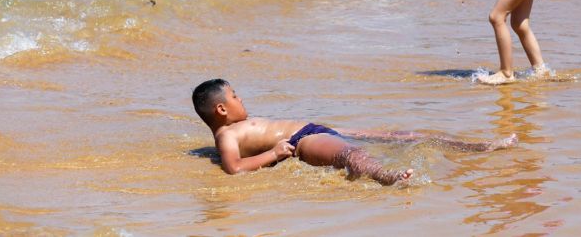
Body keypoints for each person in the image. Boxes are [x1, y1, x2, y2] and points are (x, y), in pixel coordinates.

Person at [192, 79, 516, 183]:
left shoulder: (233, 129)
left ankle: (475, 146)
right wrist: (273, 154)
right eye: (235, 96)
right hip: (301, 140)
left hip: (315, 129)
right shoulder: (226, 135)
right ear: (221, 109)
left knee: (400, 136)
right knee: (350, 154)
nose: (240, 98)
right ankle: (385, 176)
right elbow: (232, 167)